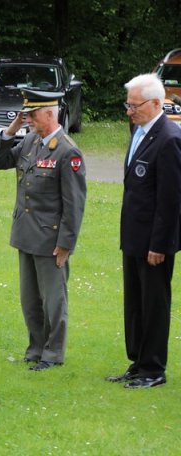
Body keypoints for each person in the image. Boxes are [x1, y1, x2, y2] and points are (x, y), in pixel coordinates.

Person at [0, 89, 86, 371]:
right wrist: (10, 131)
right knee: (30, 299)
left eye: (32, 115)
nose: (28, 119)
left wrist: (66, 243)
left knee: (53, 300)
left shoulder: (68, 151)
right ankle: (35, 348)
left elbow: (74, 204)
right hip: (26, 233)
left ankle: (53, 353)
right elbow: (0, 162)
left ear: (49, 113)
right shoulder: (31, 140)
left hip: (50, 238)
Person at [106, 73, 181, 389]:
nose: (128, 111)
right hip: (134, 237)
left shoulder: (169, 139)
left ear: (154, 103)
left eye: (134, 105)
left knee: (153, 304)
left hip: (154, 242)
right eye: (128, 104)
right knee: (135, 303)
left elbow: (171, 200)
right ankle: (137, 362)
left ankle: (153, 369)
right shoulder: (139, 131)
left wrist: (159, 245)